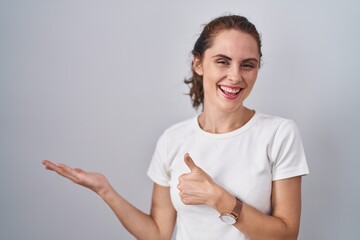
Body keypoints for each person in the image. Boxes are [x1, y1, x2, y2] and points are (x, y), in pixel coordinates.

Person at [43, 15, 309, 240]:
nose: (235, 76)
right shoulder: (173, 139)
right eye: (222, 61)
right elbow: (159, 232)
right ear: (198, 64)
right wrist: (105, 191)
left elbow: (287, 234)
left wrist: (219, 198)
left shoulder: (279, 134)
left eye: (247, 65)